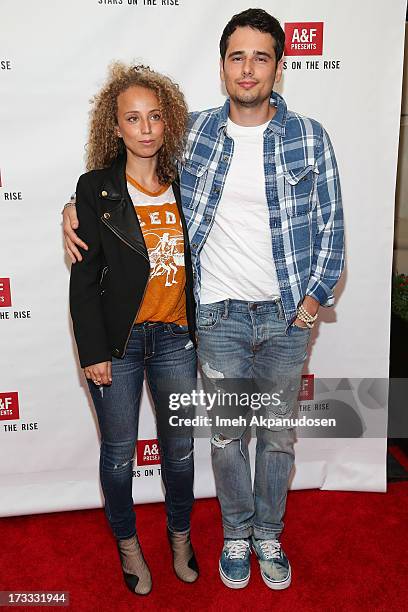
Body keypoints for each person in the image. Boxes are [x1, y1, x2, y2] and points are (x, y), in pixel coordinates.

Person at [64, 9, 344, 592]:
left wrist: (313, 301)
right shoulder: (192, 135)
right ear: (222, 67)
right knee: (222, 438)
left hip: (287, 317)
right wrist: (72, 209)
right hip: (214, 318)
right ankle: (236, 534)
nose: (248, 68)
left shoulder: (310, 137)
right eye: (237, 56)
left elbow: (332, 233)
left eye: (260, 56)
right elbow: (125, 180)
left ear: (278, 66)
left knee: (276, 437)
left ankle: (268, 533)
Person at [68, 62, 198, 596]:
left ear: (167, 124)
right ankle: (127, 543)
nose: (145, 129)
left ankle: (181, 536)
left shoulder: (189, 186)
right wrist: (92, 349)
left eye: (154, 118)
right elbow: (83, 280)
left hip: (175, 340)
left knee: (181, 450)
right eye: (132, 118)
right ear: (115, 127)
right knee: (119, 456)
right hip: (118, 346)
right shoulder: (95, 189)